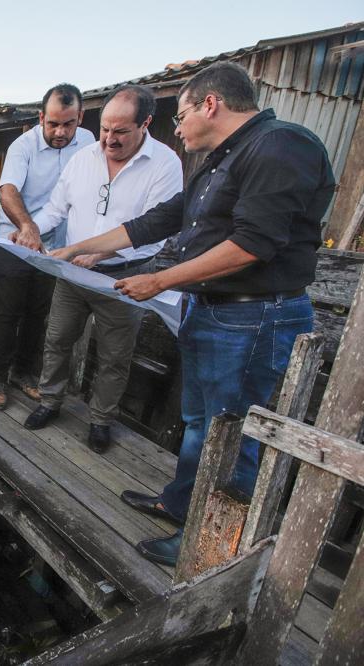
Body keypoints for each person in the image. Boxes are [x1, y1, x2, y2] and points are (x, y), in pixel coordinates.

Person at [50, 62, 335, 565]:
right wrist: (79, 249)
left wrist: (159, 279)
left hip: (255, 317)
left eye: (180, 115)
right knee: (200, 422)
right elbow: (162, 218)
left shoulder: (281, 146)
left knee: (233, 435)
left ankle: (207, 546)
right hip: (212, 310)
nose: (176, 128)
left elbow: (253, 244)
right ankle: (179, 503)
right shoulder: (219, 159)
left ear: (211, 104)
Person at [23, 84, 183, 453]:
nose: (109, 139)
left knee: (115, 355)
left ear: (145, 123)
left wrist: (96, 253)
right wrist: (30, 228)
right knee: (58, 338)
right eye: (106, 129)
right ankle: (49, 401)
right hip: (73, 275)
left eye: (120, 131)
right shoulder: (83, 159)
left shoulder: (165, 164)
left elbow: (155, 230)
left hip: (124, 278)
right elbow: (55, 210)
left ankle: (100, 420)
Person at [0, 83, 96, 410]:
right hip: (15, 242)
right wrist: (28, 226)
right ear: (41, 118)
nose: (60, 132)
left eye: (68, 124)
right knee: (7, 314)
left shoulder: (90, 142)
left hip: (55, 249)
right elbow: (7, 192)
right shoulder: (24, 145)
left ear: (80, 117)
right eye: (53, 124)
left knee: (38, 314)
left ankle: (23, 373)